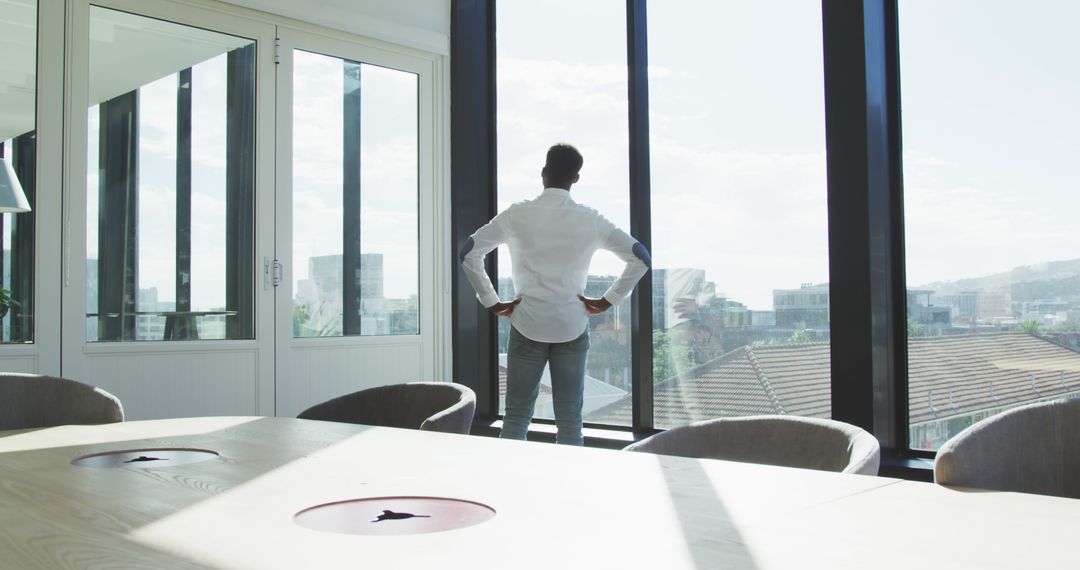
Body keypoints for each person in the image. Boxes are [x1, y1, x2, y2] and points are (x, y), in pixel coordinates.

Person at [459, 143, 650, 445]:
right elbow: (641, 257)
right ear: (576, 179)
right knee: (570, 417)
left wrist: (492, 302)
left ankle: (503, 485)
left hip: (527, 323)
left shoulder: (517, 214)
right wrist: (609, 300)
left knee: (517, 415)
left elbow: (468, 252)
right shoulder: (591, 219)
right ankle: (568, 486)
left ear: (543, 173)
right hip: (572, 325)